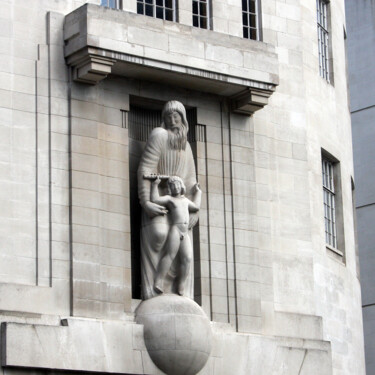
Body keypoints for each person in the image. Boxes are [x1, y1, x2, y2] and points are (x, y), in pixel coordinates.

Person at [137, 101, 198, 299]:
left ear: (183, 118)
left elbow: (191, 182)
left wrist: (196, 211)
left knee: (186, 257)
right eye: (168, 117)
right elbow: (145, 170)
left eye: (176, 116)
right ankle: (155, 286)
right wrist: (146, 202)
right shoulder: (159, 135)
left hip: (181, 207)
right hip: (161, 199)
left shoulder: (187, 146)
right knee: (159, 232)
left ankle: (181, 291)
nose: (172, 120)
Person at [150, 176, 201, 296]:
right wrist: (154, 185)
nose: (175, 187)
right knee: (170, 255)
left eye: (177, 184)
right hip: (176, 229)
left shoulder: (186, 201)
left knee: (187, 258)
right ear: (170, 188)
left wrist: (199, 192)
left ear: (181, 186)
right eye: (172, 185)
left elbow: (196, 206)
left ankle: (181, 284)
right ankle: (159, 280)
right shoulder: (170, 199)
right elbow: (155, 199)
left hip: (185, 231)